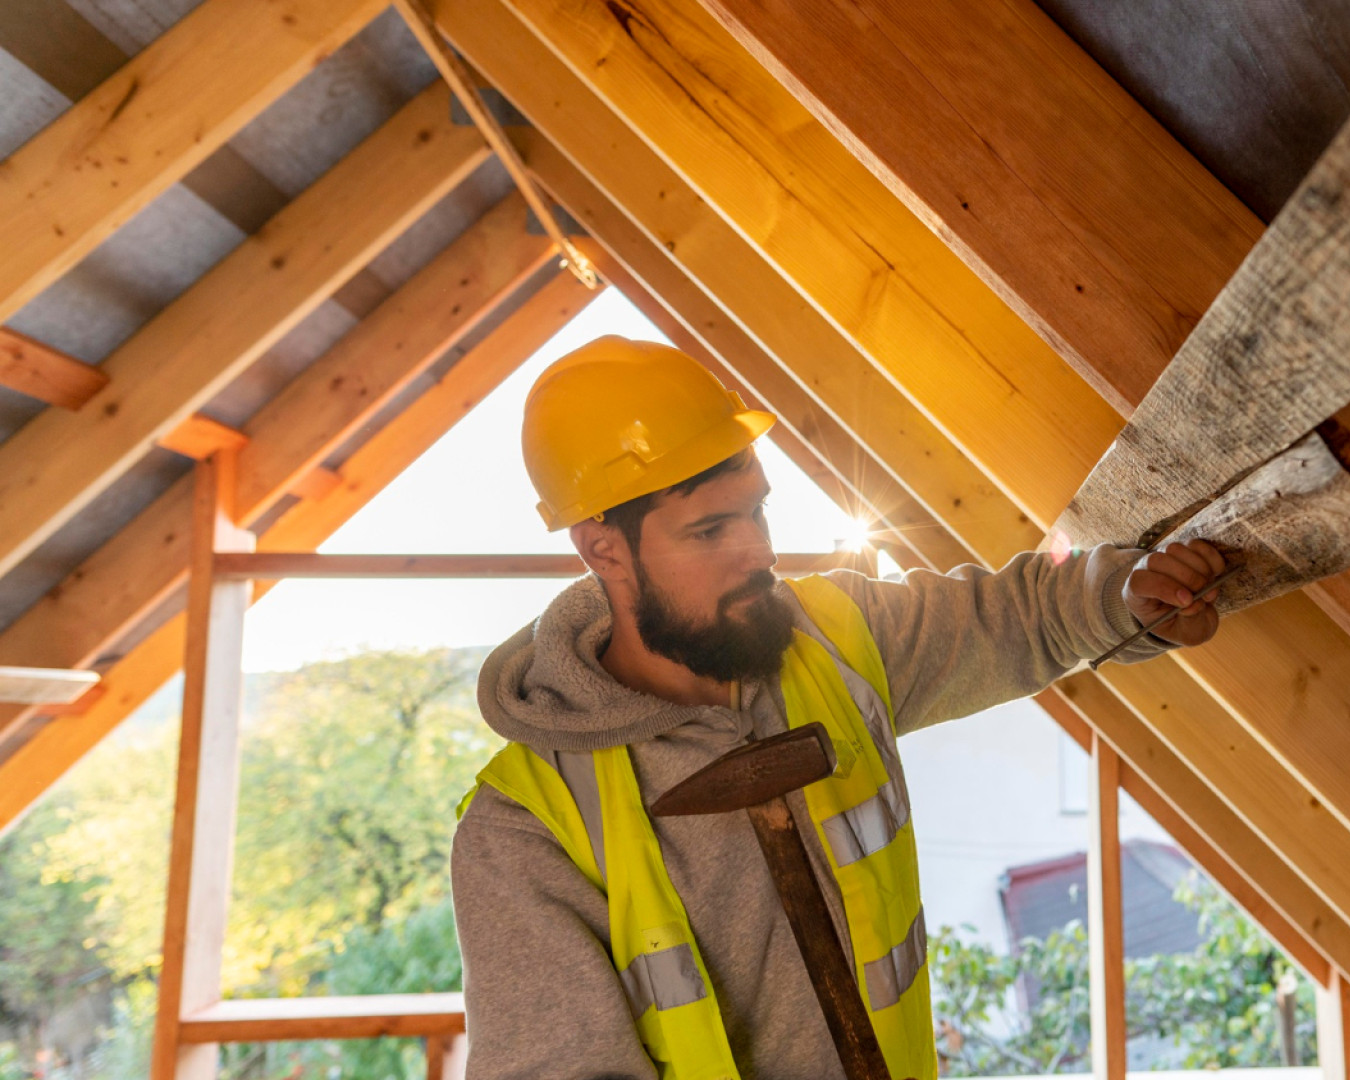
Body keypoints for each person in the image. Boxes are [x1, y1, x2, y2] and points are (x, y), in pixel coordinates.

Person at [450, 337, 1226, 1079]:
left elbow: (1013, 619)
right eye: (710, 530)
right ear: (603, 549)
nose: (756, 552)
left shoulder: (836, 642)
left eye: (755, 512)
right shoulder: (527, 826)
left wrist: (1124, 598)